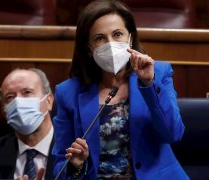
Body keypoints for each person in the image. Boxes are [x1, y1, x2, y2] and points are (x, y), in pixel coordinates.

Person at [52, 0, 189, 179]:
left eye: (117, 34)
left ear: (130, 38)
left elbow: (173, 134)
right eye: (99, 38)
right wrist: (74, 165)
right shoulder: (67, 93)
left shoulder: (159, 73)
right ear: (88, 47)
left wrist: (148, 84)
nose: (110, 43)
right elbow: (59, 166)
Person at [0, 68, 55, 180]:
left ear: (49, 101)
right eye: (10, 97)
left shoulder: (74, 150)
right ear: (5, 112)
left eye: (27, 92)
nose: (18, 102)